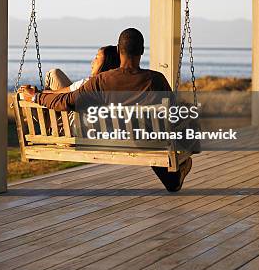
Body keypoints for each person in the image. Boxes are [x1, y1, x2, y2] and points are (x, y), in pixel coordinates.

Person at [21, 28, 193, 192]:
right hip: (143, 141)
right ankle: (173, 179)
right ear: (141, 51)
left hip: (105, 136)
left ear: (118, 50)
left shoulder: (101, 81)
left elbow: (67, 101)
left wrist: (36, 97)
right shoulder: (156, 80)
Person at [42, 45, 121, 94]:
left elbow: (53, 94)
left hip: (69, 119)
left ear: (106, 63)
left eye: (96, 58)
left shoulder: (87, 85)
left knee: (53, 73)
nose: (92, 62)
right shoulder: (119, 86)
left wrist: (37, 94)